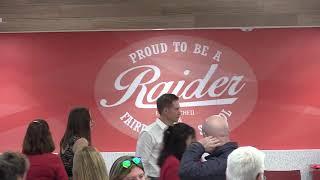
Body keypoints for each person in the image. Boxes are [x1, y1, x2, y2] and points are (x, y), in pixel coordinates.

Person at [136, 94, 181, 179]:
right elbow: (140, 162)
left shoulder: (178, 131)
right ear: (165, 111)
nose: (179, 112)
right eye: (176, 109)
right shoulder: (148, 133)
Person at [179, 115, 238, 180]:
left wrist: (198, 146)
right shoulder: (239, 156)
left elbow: (186, 172)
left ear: (206, 136)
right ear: (227, 131)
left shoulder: (219, 164)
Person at [60, 107, 92, 177]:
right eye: (90, 119)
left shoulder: (65, 140)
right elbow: (79, 169)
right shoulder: (81, 142)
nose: (92, 122)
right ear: (83, 122)